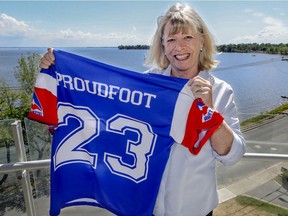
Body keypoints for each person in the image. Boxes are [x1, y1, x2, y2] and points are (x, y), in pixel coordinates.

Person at [40, 3, 246, 216]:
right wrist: (59, 77)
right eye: (171, 40)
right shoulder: (147, 87)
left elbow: (232, 156)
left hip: (196, 211)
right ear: (163, 46)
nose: (179, 47)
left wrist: (211, 112)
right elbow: (103, 112)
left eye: (188, 38)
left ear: (202, 41)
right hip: (146, 209)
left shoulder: (220, 91)